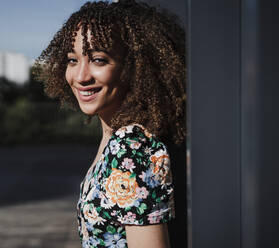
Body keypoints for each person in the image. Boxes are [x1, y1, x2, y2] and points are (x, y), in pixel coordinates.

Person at [36, 0, 186, 247]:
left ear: (133, 67)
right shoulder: (114, 136)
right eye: (72, 60)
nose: (81, 76)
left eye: (98, 59)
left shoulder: (133, 148)